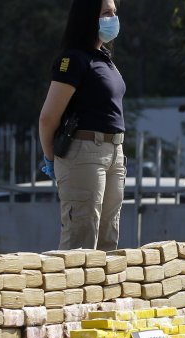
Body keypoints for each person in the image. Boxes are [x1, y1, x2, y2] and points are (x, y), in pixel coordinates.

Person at [39, 0, 126, 252]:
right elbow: (48, 117)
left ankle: (104, 293)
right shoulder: (73, 58)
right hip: (85, 150)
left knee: (108, 239)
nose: (113, 18)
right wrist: (50, 157)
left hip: (113, 152)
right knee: (81, 238)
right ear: (89, 17)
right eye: (106, 13)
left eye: (114, 13)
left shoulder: (104, 57)